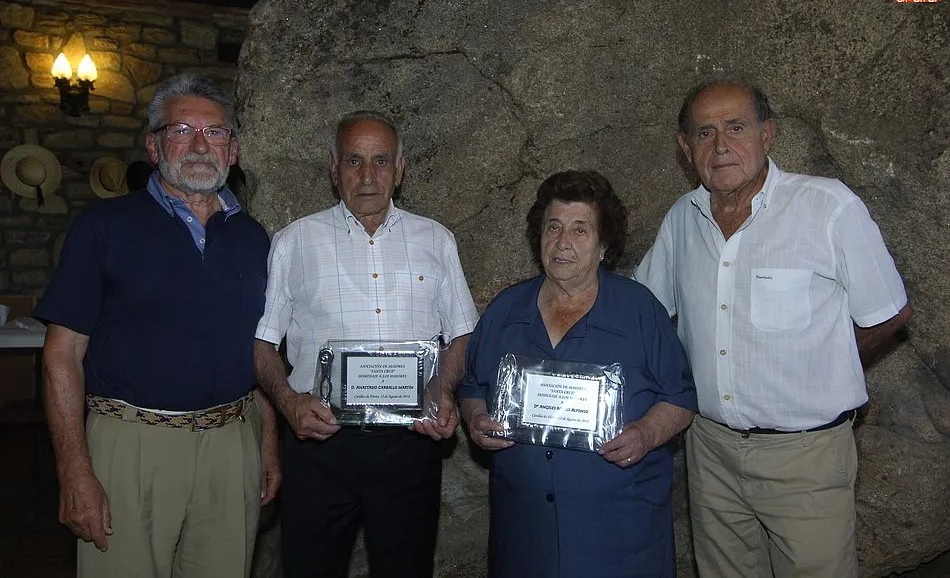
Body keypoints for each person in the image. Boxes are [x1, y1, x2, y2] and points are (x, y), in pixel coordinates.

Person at [635, 78, 913, 578]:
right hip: (710, 450)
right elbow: (643, 312)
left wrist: (827, 370)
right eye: (704, 133)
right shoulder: (683, 218)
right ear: (685, 147)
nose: (721, 146)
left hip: (804, 457)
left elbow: (891, 312)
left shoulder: (827, 207)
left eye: (736, 128)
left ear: (767, 134)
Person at [36, 74, 281, 578]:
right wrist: (74, 468)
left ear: (233, 150)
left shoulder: (255, 239)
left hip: (232, 443)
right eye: (181, 130)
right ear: (153, 144)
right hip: (130, 446)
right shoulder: (103, 228)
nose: (198, 145)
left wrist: (267, 439)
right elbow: (61, 354)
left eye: (214, 133)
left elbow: (258, 348)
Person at [253, 110, 479, 578]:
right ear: (333, 168)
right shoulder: (294, 241)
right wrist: (289, 402)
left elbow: (461, 334)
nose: (368, 176)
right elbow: (262, 346)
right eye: (354, 161)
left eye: (381, 161)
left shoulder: (436, 240)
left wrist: (443, 392)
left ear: (400, 169)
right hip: (318, 446)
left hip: (408, 448)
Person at [459, 170, 697, 577]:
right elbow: (471, 385)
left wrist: (644, 435)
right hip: (525, 535)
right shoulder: (506, 311)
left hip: (620, 535)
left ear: (604, 245)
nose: (563, 243)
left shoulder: (640, 311)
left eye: (580, 230)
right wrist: (476, 418)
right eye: (553, 227)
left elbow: (680, 398)